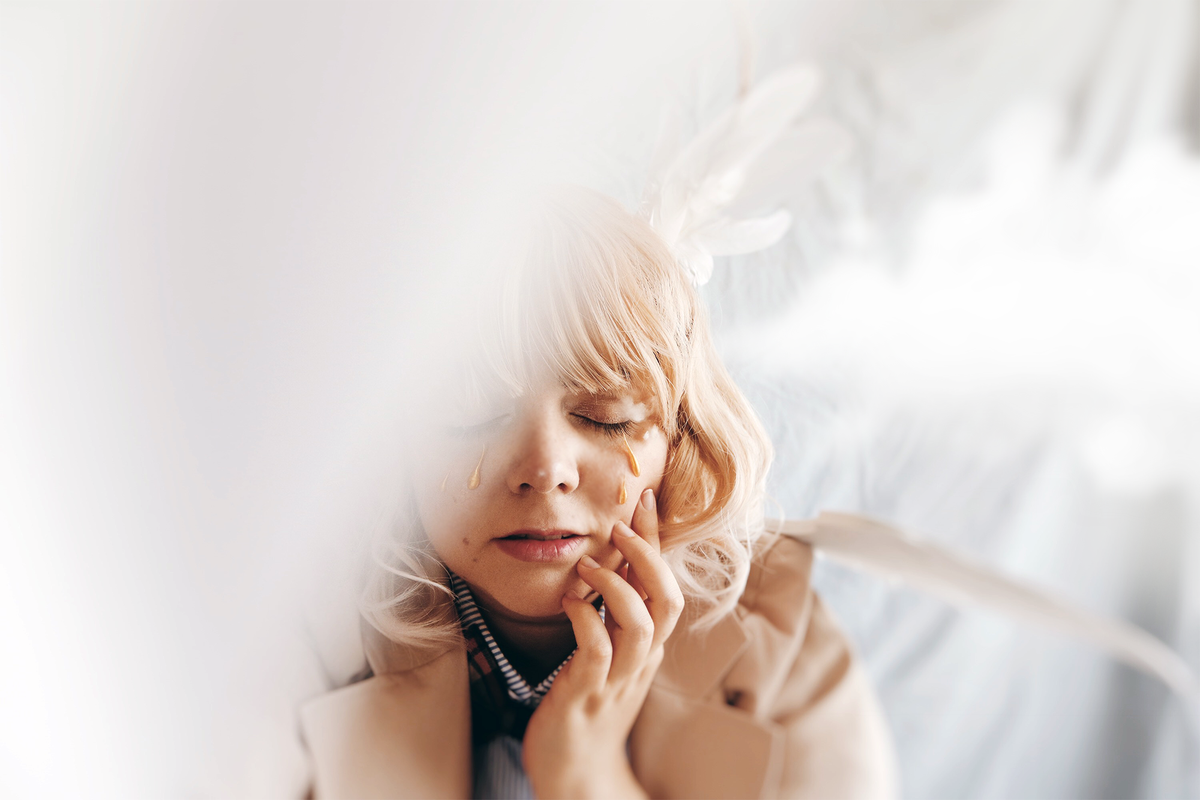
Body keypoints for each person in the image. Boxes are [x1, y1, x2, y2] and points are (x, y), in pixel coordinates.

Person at [298, 186, 898, 799]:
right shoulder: (300, 629)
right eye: (472, 412)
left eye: (606, 416)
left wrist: (586, 772)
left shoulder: (789, 649)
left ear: (682, 442)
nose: (546, 468)